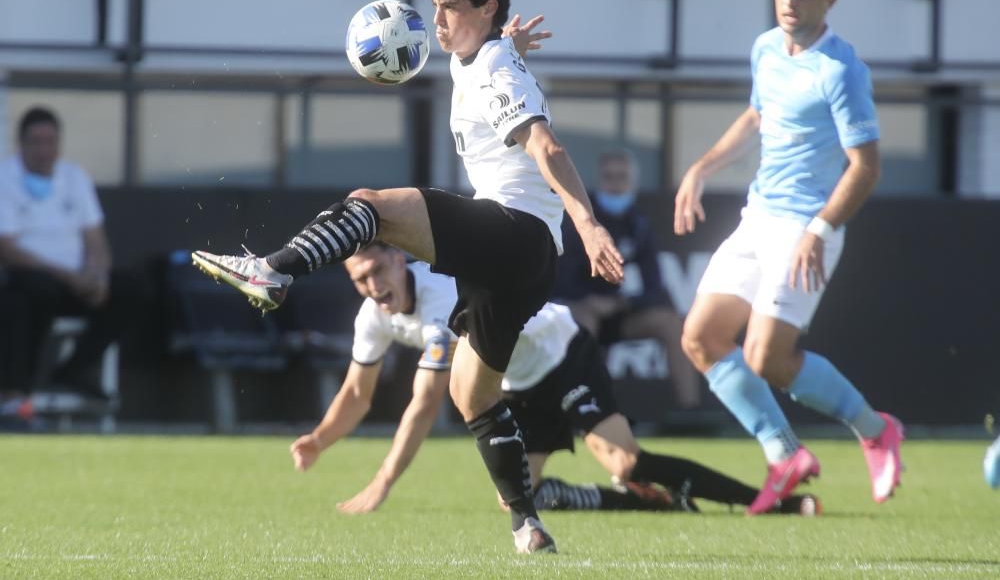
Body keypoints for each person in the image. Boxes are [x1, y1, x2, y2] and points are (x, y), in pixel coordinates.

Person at [190, 0, 623, 553]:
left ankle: (272, 269)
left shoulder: (494, 66)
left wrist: (588, 221)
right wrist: (509, 47)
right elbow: (498, 71)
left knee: (373, 204)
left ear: (488, 8)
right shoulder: (483, 58)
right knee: (470, 394)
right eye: (434, 8)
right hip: (525, 266)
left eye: (448, 8)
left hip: (514, 232)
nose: (436, 22)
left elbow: (547, 148)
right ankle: (528, 525)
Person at [289, 242, 818, 518]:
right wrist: (320, 438)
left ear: (398, 259)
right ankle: (643, 500)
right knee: (519, 497)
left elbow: (425, 403)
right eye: (361, 280)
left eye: (379, 271)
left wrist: (382, 483)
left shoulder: (438, 300)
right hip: (518, 383)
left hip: (561, 351)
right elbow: (358, 393)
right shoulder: (374, 316)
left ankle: (771, 501)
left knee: (624, 458)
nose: (374, 286)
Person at [673, 0, 904, 515]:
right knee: (700, 338)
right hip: (759, 217)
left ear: (829, 0)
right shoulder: (765, 50)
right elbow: (758, 116)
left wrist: (820, 229)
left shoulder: (841, 70)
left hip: (808, 226)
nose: (790, 0)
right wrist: (701, 167)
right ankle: (784, 454)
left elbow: (866, 166)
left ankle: (876, 430)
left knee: (767, 359)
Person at [0, 106, 138, 406]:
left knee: (131, 288)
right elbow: (7, 248)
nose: (43, 150)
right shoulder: (5, 178)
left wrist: (98, 276)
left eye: (50, 142)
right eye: (35, 142)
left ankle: (74, 369)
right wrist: (69, 278)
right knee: (29, 294)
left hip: (77, 283)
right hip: (32, 281)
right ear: (21, 143)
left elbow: (95, 239)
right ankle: (17, 393)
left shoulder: (75, 177)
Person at [555, 148, 702, 411]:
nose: (615, 183)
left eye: (622, 176)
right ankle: (583, 408)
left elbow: (654, 285)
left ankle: (689, 411)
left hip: (617, 310)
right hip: (577, 308)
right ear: (599, 179)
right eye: (609, 177)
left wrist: (623, 303)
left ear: (632, 180)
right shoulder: (579, 221)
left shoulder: (637, 223)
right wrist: (589, 301)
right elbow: (558, 279)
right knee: (585, 322)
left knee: (670, 323)